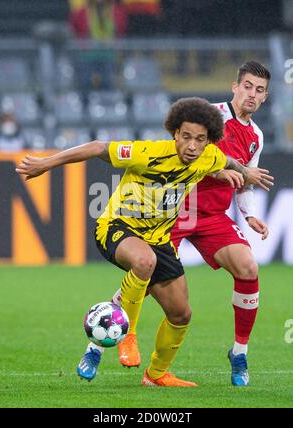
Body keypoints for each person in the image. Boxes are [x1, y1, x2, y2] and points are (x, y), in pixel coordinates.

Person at [16, 97, 273, 387]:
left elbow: (224, 160)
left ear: (209, 141)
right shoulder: (146, 152)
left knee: (181, 313)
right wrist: (45, 163)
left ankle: (156, 375)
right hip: (117, 227)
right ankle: (128, 335)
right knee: (144, 261)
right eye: (186, 136)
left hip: (159, 238)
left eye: (199, 139)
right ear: (174, 132)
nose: (191, 145)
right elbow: (97, 147)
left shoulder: (208, 156)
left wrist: (242, 171)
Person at [112, 61, 272, 387]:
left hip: (213, 216)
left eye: (259, 90)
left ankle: (239, 351)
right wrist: (216, 171)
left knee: (248, 267)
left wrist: (249, 211)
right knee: (149, 274)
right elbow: (180, 151)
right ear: (234, 86)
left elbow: (245, 181)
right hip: (177, 210)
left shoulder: (256, 136)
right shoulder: (209, 116)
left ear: (265, 97)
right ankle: (116, 321)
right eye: (247, 86)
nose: (252, 94)